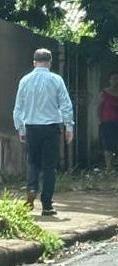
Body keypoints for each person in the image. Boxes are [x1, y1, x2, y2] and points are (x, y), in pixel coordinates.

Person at [12, 48, 74, 216]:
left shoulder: (25, 80)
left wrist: (20, 128)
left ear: (34, 62)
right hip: (51, 127)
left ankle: (31, 189)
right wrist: (69, 126)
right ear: (50, 62)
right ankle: (47, 204)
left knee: (32, 162)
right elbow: (66, 105)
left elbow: (19, 107)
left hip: (31, 127)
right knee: (49, 166)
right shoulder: (56, 80)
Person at [98, 71, 118, 174]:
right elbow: (99, 107)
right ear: (109, 80)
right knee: (108, 146)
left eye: (117, 79)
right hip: (107, 122)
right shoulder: (104, 93)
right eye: (113, 79)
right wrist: (99, 120)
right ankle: (109, 168)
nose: (115, 81)